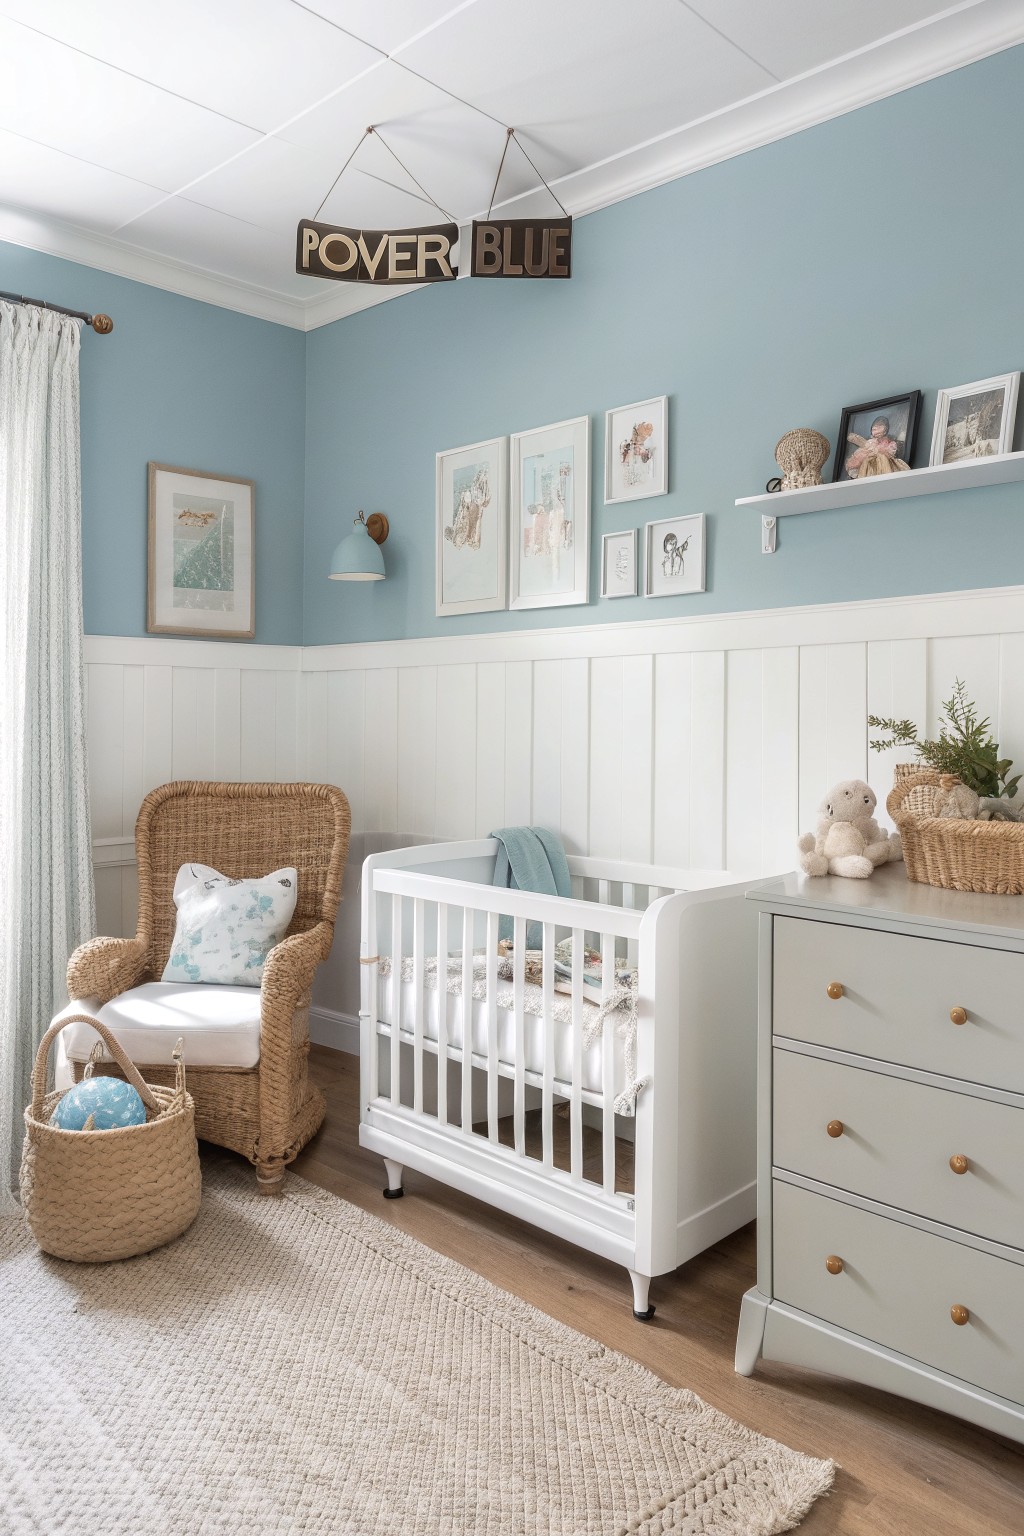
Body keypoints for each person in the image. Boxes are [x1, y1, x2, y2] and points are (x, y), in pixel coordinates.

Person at [844, 415, 909, 478]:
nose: (876, 430)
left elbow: (890, 451)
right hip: (869, 465)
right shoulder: (871, 442)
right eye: (874, 428)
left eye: (880, 427)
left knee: (882, 458)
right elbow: (864, 448)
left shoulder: (889, 443)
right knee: (867, 463)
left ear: (885, 430)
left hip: (884, 465)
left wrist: (877, 451)